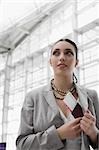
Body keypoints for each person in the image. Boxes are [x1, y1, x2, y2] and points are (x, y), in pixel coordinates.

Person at [16, 38, 99, 150]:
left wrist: (94, 133)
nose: (62, 57)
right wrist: (59, 134)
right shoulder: (33, 98)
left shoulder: (91, 96)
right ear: (50, 61)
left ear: (76, 62)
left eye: (68, 53)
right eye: (56, 53)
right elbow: (22, 145)